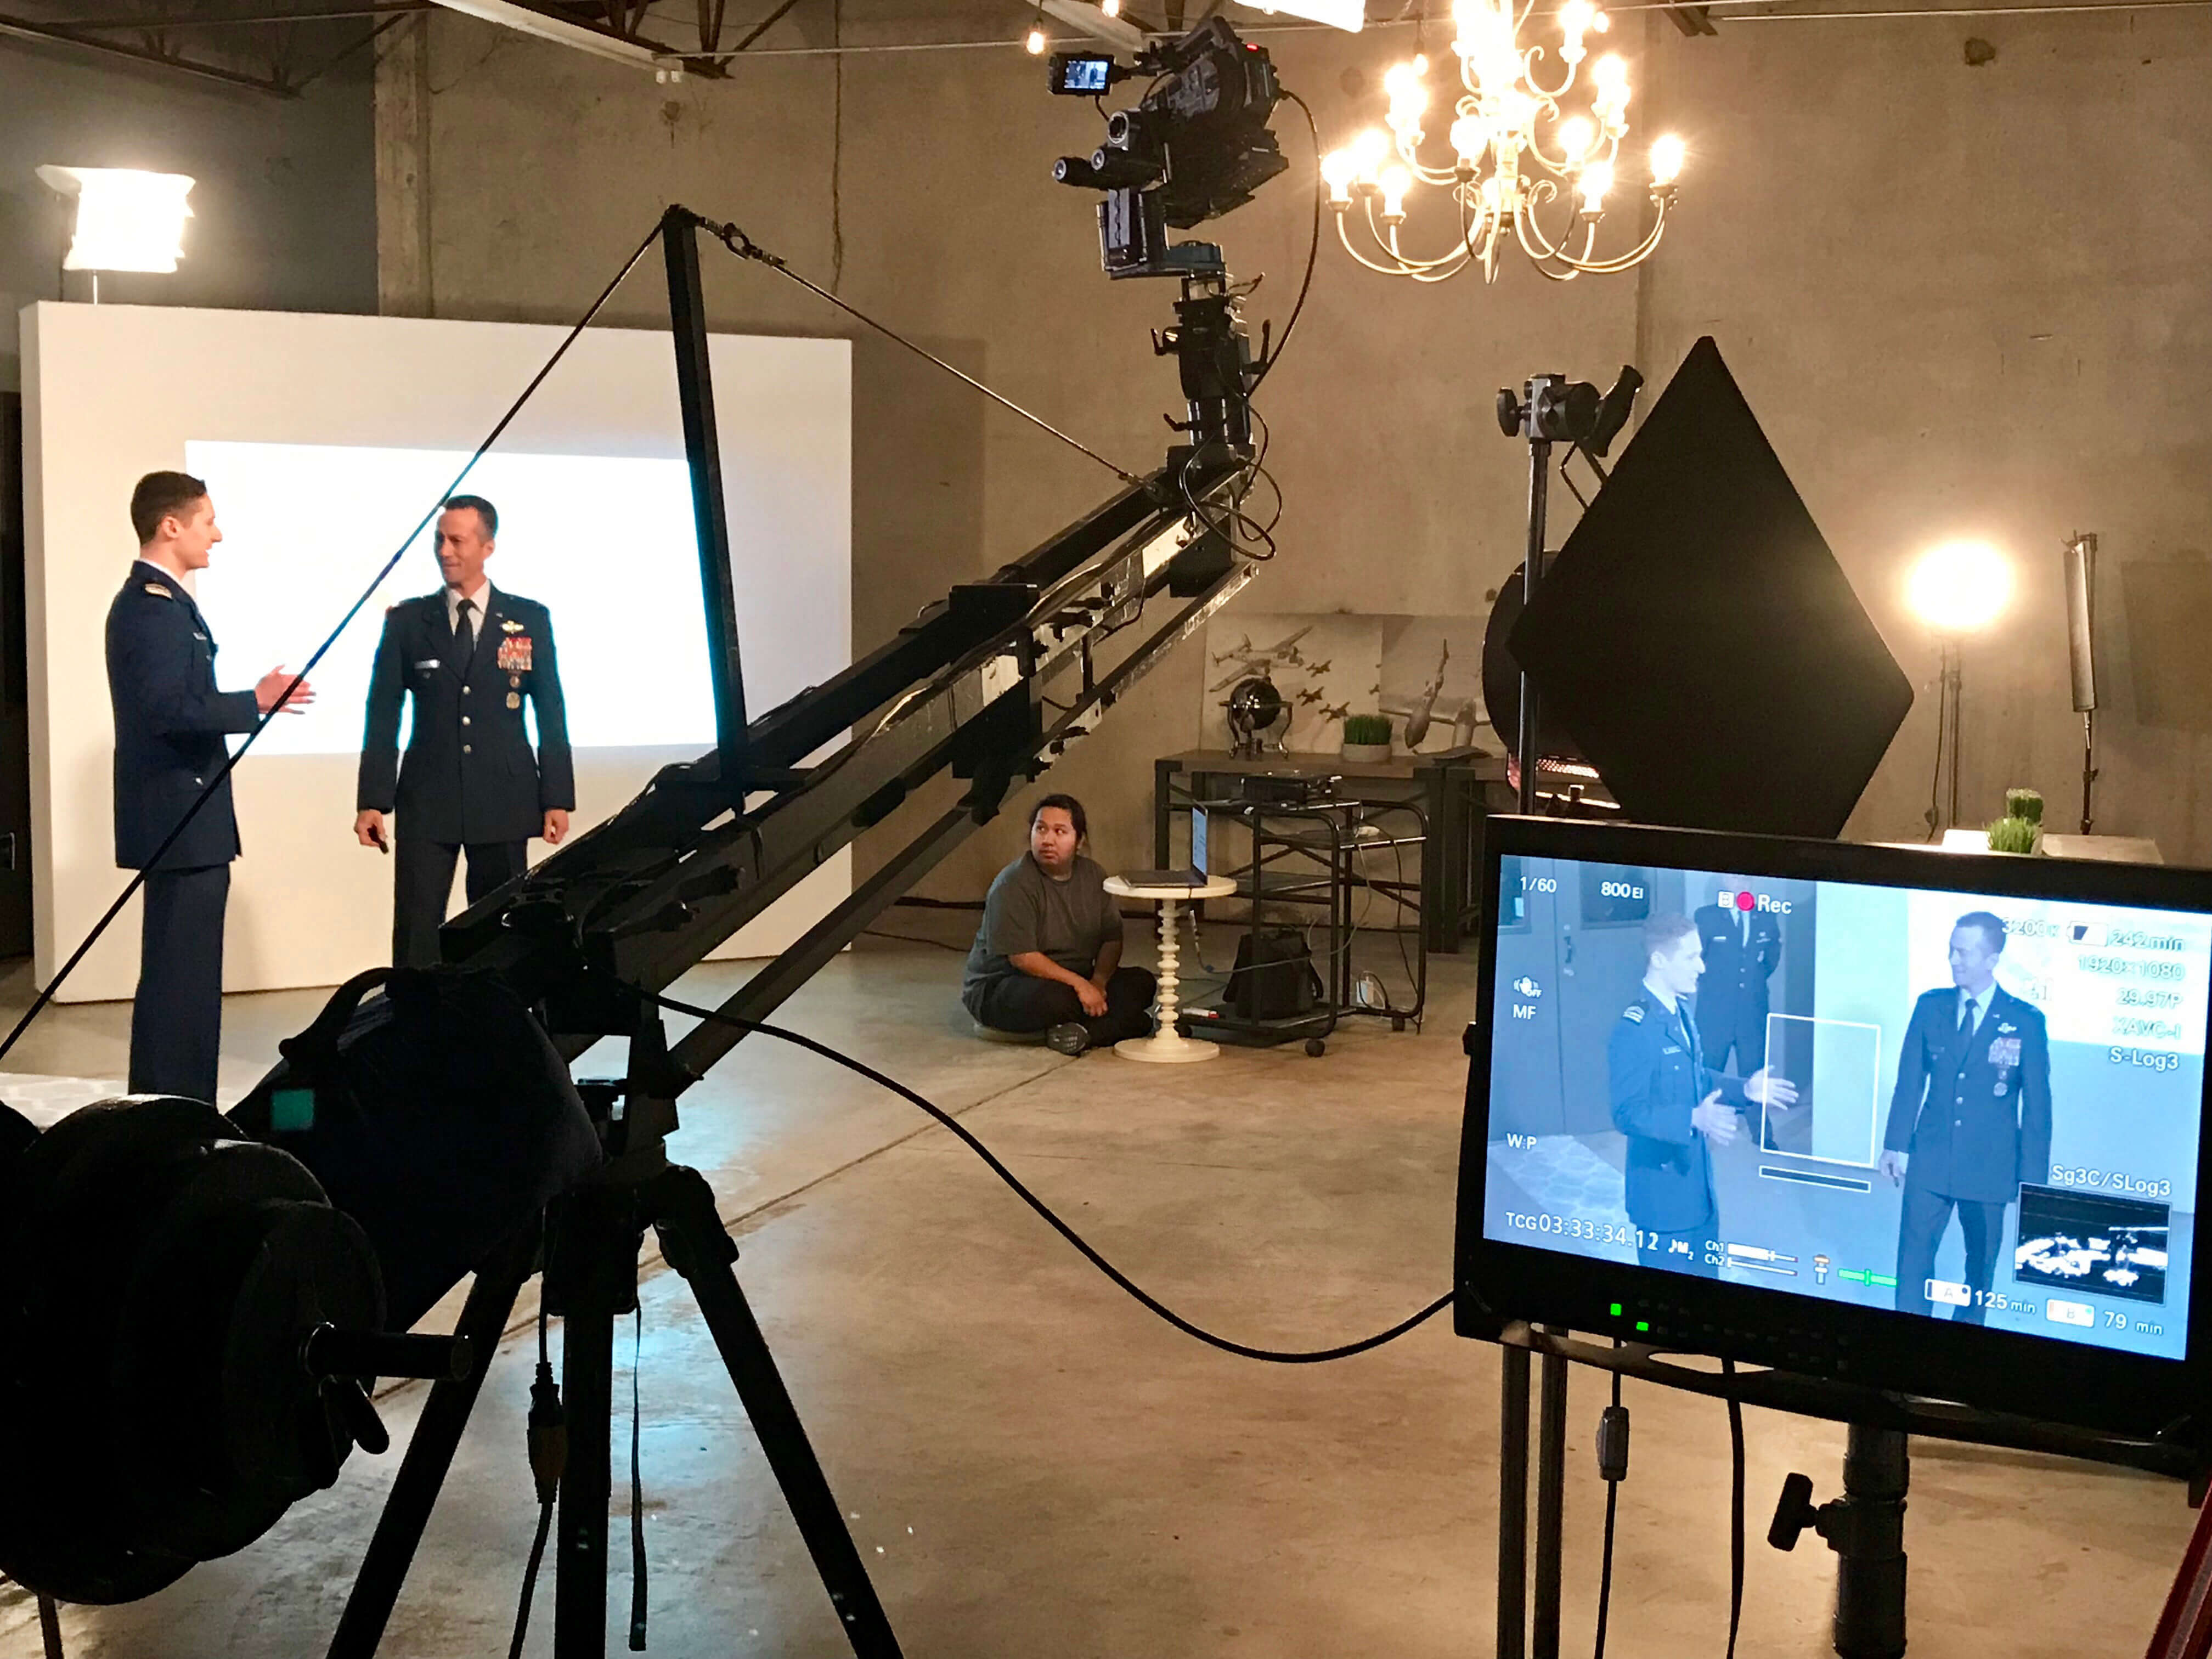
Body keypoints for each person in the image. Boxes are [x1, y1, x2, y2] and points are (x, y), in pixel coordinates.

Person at [106, 470, 314, 1102]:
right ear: (171, 526)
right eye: (207, 521)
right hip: (179, 819)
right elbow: (169, 709)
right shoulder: (152, 608)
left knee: (188, 980)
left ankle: (180, 1103)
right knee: (180, 981)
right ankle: (172, 1108)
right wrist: (254, 702)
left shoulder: (164, 604)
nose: (217, 535)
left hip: (187, 820)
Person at [354, 495, 573, 968]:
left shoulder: (529, 619)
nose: (445, 551)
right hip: (428, 797)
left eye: (458, 540)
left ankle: (498, 1026)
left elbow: (551, 710)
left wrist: (557, 796)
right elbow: (383, 712)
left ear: (487, 547)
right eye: (440, 540)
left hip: (505, 795)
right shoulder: (408, 621)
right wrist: (372, 800)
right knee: (417, 929)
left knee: (501, 928)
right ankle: (414, 1027)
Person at [1879, 911, 2051, 1323]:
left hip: (1991, 1169)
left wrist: (2033, 1181)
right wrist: (1895, 1144)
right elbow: (1909, 1081)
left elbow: (2039, 1107)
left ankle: (1964, 1349)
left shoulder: (2026, 1021)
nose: (1954, 959)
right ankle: (1910, 1342)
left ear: (1991, 959)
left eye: (1964, 952)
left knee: (1980, 1271)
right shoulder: (1930, 1007)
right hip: (1931, 1160)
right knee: (1913, 1263)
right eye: (1952, 950)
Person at [1608, 913, 1795, 1277]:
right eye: (1692, 957)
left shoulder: (1679, 1012)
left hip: (1698, 1193)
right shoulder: (1636, 1028)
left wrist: (1745, 1089)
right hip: (1663, 1202)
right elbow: (1626, 1113)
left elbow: (1695, 1077)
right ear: (1660, 960)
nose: (1703, 966)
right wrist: (1692, 1119)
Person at [962, 795, 1156, 1056]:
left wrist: (1098, 982)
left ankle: (1084, 1033)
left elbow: (1112, 938)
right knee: (1059, 1000)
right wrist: (1081, 985)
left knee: (1142, 983)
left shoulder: (1093, 875)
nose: (1047, 840)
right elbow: (1022, 958)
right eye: (1040, 829)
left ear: (1079, 841)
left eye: (1060, 832)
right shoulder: (1013, 884)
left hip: (1074, 977)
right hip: (1007, 985)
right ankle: (1117, 1027)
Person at [1694, 878, 1784, 1074]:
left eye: (1746, 878)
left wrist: (1752, 978)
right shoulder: (1707, 916)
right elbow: (1696, 959)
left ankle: (1749, 1107)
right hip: (1714, 1012)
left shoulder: (1766, 917)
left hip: (1752, 1011)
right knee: (1708, 1072)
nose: (1742, 882)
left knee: (1754, 1074)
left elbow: (1771, 959)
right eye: (1734, 878)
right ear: (1722, 882)